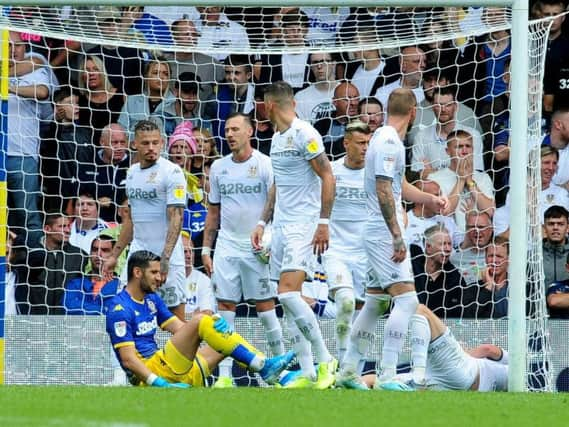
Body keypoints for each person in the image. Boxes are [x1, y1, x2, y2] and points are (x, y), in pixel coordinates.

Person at [336, 88, 447, 390]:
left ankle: (347, 371)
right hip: (383, 232)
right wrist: (397, 236)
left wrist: (429, 198)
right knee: (407, 300)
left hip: (378, 229)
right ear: (413, 112)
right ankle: (386, 375)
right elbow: (385, 190)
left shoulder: (387, 138)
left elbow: (398, 185)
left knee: (375, 302)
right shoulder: (388, 142)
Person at [251, 81, 337, 389]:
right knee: (286, 301)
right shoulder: (276, 137)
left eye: (261, 104)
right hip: (282, 227)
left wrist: (323, 221)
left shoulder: (305, 134)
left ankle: (326, 360)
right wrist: (263, 222)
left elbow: (327, 174)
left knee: (289, 293)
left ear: (269, 105)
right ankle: (307, 372)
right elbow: (278, 184)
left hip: (304, 224)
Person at [106, 250, 295, 388]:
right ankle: (264, 368)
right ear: (137, 273)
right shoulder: (119, 309)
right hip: (151, 374)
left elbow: (181, 329)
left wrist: (212, 327)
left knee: (225, 337)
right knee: (200, 320)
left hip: (174, 370)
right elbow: (129, 360)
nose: (160, 278)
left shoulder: (151, 299)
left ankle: (280, 375)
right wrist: (159, 384)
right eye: (154, 273)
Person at [202, 112, 285, 387]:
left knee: (265, 306)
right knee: (225, 306)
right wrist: (206, 247)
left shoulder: (265, 164)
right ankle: (225, 376)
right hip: (226, 243)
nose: (229, 134)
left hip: (255, 245)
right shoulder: (218, 168)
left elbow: (274, 206)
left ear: (250, 132)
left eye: (235, 129)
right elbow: (213, 211)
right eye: (226, 129)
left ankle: (281, 369)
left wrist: (268, 236)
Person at [103, 120, 188, 320]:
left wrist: (165, 259)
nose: (151, 148)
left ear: (162, 142)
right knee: (124, 309)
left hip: (167, 254)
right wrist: (115, 255)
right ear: (134, 144)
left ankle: (182, 352)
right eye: (145, 143)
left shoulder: (172, 172)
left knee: (174, 316)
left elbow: (177, 216)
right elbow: (131, 219)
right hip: (138, 253)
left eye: (155, 142)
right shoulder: (132, 173)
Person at [357, 304, 508, 391]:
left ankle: (418, 374)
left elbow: (488, 349)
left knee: (418, 309)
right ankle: (360, 382)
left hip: (463, 369)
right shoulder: (512, 378)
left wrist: (464, 351)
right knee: (386, 382)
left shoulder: (512, 364)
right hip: (450, 383)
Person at [321, 120, 371, 364]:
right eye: (361, 143)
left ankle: (355, 370)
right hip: (336, 250)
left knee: (363, 313)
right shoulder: (331, 172)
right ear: (346, 143)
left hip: (366, 253)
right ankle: (342, 361)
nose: (365, 148)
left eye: (368, 143)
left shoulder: (374, 173)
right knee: (345, 301)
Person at [7, 30, 53, 246]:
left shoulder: (37, 64)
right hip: (2, 151)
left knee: (28, 217)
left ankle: (34, 270)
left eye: (17, 45)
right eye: (6, 45)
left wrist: (8, 87)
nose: (12, 49)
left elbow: (43, 92)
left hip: (22, 155)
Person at [16, 213, 87, 314]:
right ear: (47, 229)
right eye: (62, 226)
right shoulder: (30, 255)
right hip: (35, 323)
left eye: (69, 226)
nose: (68, 230)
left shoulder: (79, 256)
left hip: (67, 322)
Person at [429, 130, 495, 231]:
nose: (464, 151)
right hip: (448, 238)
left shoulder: (483, 177)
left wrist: (470, 181)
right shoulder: (435, 178)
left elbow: (490, 211)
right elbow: (444, 212)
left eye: (468, 146)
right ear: (448, 151)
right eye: (459, 147)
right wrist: (461, 180)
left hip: (478, 237)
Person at [77, 123, 131, 223]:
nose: (119, 147)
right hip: (93, 223)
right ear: (102, 142)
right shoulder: (88, 164)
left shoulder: (134, 165)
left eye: (122, 142)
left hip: (126, 224)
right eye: (114, 143)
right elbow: (76, 198)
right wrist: (95, 203)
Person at [412, 225, 467, 318]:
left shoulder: (455, 278)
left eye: (449, 244)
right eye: (442, 244)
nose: (448, 249)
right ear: (428, 247)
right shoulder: (412, 267)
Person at [63, 235, 121, 314]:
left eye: (105, 250)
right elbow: (67, 307)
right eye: (94, 250)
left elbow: (118, 314)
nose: (98, 254)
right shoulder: (75, 284)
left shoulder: (121, 287)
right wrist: (104, 310)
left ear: (114, 256)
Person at [462, 236, 510, 319]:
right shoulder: (473, 289)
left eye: (499, 256)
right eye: (491, 256)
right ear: (485, 258)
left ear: (508, 259)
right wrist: (488, 288)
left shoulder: (519, 290)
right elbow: (468, 318)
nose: (494, 261)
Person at [314, 81, 361, 158]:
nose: (353, 103)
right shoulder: (321, 124)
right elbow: (311, 149)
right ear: (335, 102)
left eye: (356, 98)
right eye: (346, 99)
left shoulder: (364, 123)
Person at [450, 210, 494, 286]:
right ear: (467, 230)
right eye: (472, 227)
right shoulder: (455, 259)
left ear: (491, 229)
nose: (477, 231)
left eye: (481, 227)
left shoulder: (500, 256)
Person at [294, 52, 338, 124]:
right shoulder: (300, 97)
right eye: (315, 62)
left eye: (323, 61)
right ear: (311, 66)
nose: (319, 66)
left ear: (333, 64)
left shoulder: (346, 91)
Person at [181, 231, 215, 316]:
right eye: (184, 251)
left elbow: (207, 313)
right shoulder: (162, 278)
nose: (189, 255)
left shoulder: (203, 280)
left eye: (191, 251)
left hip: (196, 327)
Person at [542, 205, 569, 289]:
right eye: (551, 224)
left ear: (568, 228)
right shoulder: (533, 257)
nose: (555, 228)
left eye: (560, 224)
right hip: (539, 301)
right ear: (544, 228)